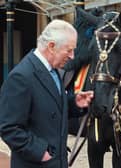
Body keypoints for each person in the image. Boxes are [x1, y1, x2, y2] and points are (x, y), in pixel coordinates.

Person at [0, 19, 94, 168]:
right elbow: (9, 128)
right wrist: (41, 152)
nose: (72, 56)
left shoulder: (53, 71)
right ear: (51, 46)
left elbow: (49, 107)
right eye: (69, 50)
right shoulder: (21, 77)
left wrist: (74, 102)